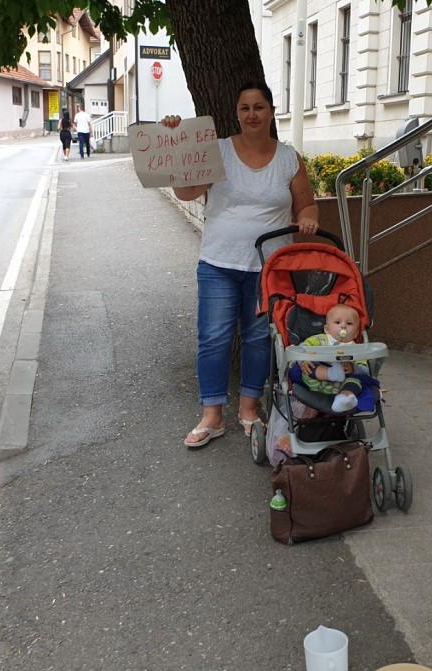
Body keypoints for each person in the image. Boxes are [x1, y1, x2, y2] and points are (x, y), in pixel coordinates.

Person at [161, 80, 319, 448]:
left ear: (271, 112)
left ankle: (249, 409)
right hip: (218, 261)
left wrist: (309, 219)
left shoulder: (288, 158)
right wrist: (176, 139)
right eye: (244, 108)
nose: (251, 114)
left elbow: (306, 204)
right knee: (213, 339)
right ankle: (211, 416)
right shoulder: (216, 151)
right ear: (236, 113)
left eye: (258, 107)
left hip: (270, 266)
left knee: (258, 338)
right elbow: (185, 192)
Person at [299, 304, 370, 413]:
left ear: (356, 333)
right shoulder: (319, 340)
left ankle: (344, 399)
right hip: (317, 381)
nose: (343, 326)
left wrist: (353, 368)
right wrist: (304, 360)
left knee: (356, 381)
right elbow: (301, 349)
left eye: (349, 323)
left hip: (342, 385)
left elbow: (364, 369)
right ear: (327, 329)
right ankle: (332, 373)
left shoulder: (356, 349)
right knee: (310, 366)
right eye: (337, 322)